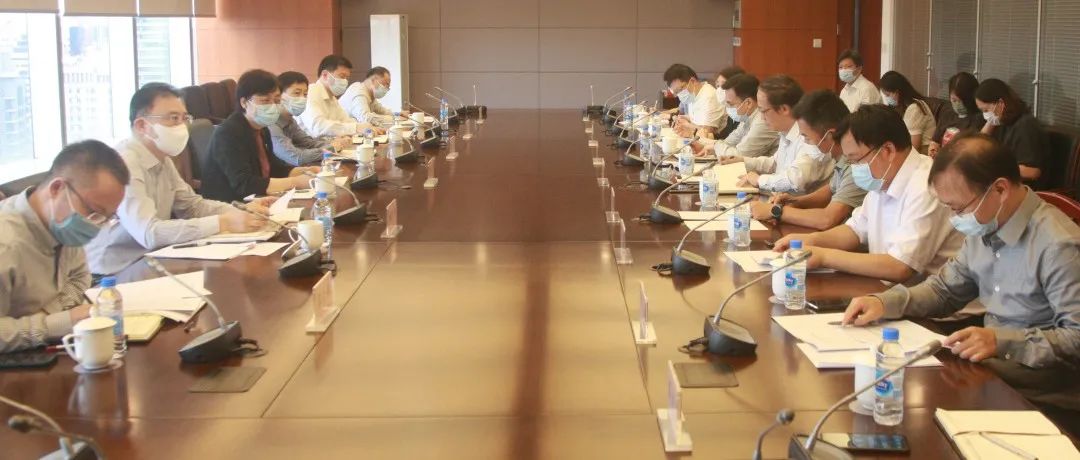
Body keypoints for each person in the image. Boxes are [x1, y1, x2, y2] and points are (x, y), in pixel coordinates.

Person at [841, 134, 1080, 426]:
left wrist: (1001, 341)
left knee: (913, 409)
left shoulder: (1058, 245)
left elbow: (1076, 337)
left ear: (1000, 189)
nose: (955, 218)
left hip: (1042, 392)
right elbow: (945, 291)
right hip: (992, 370)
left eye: (959, 208)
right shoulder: (986, 224)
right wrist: (884, 302)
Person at [84, 83, 273, 275]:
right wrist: (223, 222)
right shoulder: (125, 164)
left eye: (184, 118)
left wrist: (239, 211)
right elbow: (149, 232)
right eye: (173, 118)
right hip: (113, 273)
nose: (182, 126)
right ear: (142, 125)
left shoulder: (162, 157)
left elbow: (191, 206)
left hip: (152, 259)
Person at [774, 104, 962, 283]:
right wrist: (809, 241)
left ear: (887, 150)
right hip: (886, 291)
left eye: (856, 160)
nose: (854, 168)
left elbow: (900, 266)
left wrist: (824, 256)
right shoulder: (884, 177)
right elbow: (855, 231)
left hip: (928, 302)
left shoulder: (926, 186)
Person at [0, 140, 129, 353]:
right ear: (57, 188)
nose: (96, 225)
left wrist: (49, 314)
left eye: (106, 217)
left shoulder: (62, 224)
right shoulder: (6, 244)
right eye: (94, 212)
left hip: (43, 352)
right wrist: (53, 323)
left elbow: (80, 277)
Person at [751, 90, 865, 230]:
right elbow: (830, 190)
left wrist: (776, 211)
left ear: (829, 135)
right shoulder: (840, 159)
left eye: (807, 137)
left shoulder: (855, 165)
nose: (805, 142)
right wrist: (795, 201)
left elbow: (827, 219)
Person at [200, 69, 317, 203]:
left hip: (258, 198)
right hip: (230, 204)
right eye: (265, 100)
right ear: (244, 102)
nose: (273, 106)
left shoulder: (261, 128)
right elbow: (244, 184)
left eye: (277, 100)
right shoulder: (228, 133)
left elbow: (273, 167)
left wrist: (304, 171)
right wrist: (295, 182)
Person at [729, 75, 834, 194]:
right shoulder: (786, 131)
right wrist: (742, 161)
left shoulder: (811, 134)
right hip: (781, 199)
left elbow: (797, 179)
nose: (762, 118)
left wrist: (759, 180)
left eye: (763, 111)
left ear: (784, 109)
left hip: (802, 203)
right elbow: (775, 163)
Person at [975, 78, 1048, 188]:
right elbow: (977, 145)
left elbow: (1032, 172)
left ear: (1000, 103)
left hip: (1025, 188)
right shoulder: (1001, 122)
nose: (985, 115)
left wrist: (994, 168)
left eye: (986, 110)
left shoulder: (1026, 126)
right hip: (1006, 183)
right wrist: (991, 121)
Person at [270, 71, 350, 166]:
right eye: (297, 93)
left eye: (305, 94)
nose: (302, 99)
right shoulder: (271, 123)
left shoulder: (290, 120)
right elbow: (297, 158)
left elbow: (309, 143)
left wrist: (335, 144)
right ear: (278, 95)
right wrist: (332, 148)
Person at [692, 73, 779, 159]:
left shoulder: (762, 121)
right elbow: (728, 143)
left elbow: (739, 155)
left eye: (731, 104)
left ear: (748, 103)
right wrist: (704, 145)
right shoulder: (747, 118)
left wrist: (713, 146)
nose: (727, 109)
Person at [299, 55, 379, 138]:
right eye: (342, 76)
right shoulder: (311, 92)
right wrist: (356, 128)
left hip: (326, 143)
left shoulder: (332, 98)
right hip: (309, 145)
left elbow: (345, 121)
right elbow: (318, 126)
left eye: (347, 78)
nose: (345, 81)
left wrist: (366, 127)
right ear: (325, 75)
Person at [928, 72, 985, 157]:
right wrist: (933, 149)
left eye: (962, 101)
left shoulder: (980, 118)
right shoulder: (948, 113)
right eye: (954, 100)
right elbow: (935, 140)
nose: (958, 104)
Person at [879, 70, 937, 153]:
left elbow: (914, 147)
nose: (887, 98)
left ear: (897, 92)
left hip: (922, 153)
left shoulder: (915, 108)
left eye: (888, 95)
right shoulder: (901, 107)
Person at [664, 64, 725, 138]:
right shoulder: (693, 94)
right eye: (676, 92)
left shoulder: (709, 97)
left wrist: (687, 125)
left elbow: (706, 133)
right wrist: (685, 118)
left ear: (692, 81)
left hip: (713, 141)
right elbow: (697, 118)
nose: (679, 94)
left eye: (680, 89)